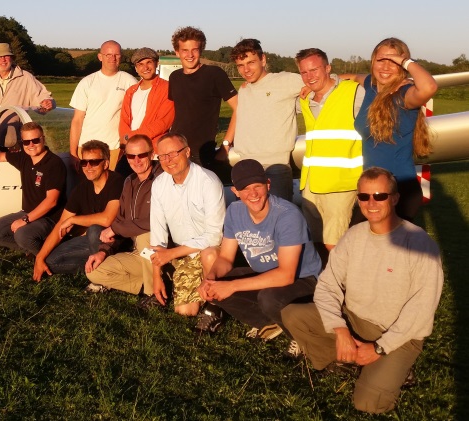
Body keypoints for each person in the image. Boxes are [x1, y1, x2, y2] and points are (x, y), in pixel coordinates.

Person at [281, 167, 444, 414]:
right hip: (354, 318)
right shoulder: (353, 236)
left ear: (395, 198)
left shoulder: (419, 244)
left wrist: (380, 347)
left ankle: (394, 367)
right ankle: (343, 360)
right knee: (293, 315)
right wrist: (340, 329)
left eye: (380, 196)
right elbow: (327, 285)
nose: (372, 203)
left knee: (368, 404)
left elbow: (421, 310)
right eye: (364, 196)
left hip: (398, 335)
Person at [195, 159, 322, 342]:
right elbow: (225, 258)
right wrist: (211, 279)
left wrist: (232, 286)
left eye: (257, 186)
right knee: (217, 286)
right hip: (265, 273)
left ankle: (300, 336)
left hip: (304, 279)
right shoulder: (234, 211)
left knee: (268, 297)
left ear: (268, 185)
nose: (252, 194)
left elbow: (286, 275)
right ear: (235, 192)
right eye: (245, 189)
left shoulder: (288, 215)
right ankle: (269, 322)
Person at [343, 38, 437, 221]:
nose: (386, 67)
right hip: (371, 188)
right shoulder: (371, 85)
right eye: (381, 60)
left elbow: (429, 87)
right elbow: (352, 77)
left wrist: (406, 62)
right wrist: (318, 85)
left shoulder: (405, 93)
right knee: (361, 243)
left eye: (393, 62)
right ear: (373, 61)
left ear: (403, 65)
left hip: (398, 189)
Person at [295, 48, 365, 258]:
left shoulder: (353, 92)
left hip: (340, 183)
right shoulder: (305, 100)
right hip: (312, 183)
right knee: (315, 240)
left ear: (328, 68)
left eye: (314, 70)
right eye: (304, 72)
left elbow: (379, 82)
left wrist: (349, 77)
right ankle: (322, 283)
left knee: (334, 244)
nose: (310, 76)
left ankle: (342, 287)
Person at [149, 133, 226, 316]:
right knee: (185, 312)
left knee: (209, 254)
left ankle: (215, 308)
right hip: (186, 253)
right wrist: (156, 276)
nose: (169, 160)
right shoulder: (159, 184)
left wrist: (172, 254)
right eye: (163, 156)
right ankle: (199, 290)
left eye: (174, 153)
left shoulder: (208, 181)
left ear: (187, 152)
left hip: (212, 248)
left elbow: (214, 236)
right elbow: (157, 233)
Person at [84, 134, 163, 297]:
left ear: (151, 154)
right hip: (139, 253)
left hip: (163, 252)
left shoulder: (163, 178)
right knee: (94, 272)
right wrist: (104, 251)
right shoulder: (129, 181)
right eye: (131, 156)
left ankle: (152, 295)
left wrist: (114, 228)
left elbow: (158, 220)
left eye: (141, 155)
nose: (137, 160)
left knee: (144, 237)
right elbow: (120, 218)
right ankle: (148, 284)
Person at [33, 140, 124, 281]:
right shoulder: (82, 188)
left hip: (116, 241)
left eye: (94, 162)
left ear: (105, 164)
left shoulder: (117, 182)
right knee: (51, 261)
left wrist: (74, 220)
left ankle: (102, 278)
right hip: (92, 241)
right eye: (84, 162)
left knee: (95, 229)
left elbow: (107, 219)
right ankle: (101, 269)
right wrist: (40, 257)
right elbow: (61, 225)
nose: (88, 167)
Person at [0, 122, 66, 255]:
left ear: (43, 139)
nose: (31, 145)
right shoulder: (24, 158)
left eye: (35, 140)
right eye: (26, 142)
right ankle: (37, 250)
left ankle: (48, 258)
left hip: (49, 218)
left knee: (22, 235)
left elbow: (51, 201)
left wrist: (25, 220)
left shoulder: (54, 164)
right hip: (27, 212)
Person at [230, 38, 305, 202]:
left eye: (251, 63)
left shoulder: (284, 81)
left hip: (275, 167)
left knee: (279, 217)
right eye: (241, 66)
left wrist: (357, 77)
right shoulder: (244, 90)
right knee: (249, 222)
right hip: (245, 167)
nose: (246, 70)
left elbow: (319, 80)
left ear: (263, 59)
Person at [168, 27, 238, 169]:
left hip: (202, 154)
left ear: (201, 50)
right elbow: (176, 113)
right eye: (185, 50)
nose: (190, 55)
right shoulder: (174, 77)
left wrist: (225, 146)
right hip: (176, 151)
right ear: (177, 52)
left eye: (194, 49)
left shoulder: (214, 74)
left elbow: (239, 108)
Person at [69, 40, 137, 170]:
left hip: (114, 148)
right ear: (100, 57)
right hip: (86, 147)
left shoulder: (129, 81)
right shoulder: (87, 82)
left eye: (116, 55)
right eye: (108, 55)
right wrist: (73, 153)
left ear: (121, 57)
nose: (113, 58)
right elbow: (77, 120)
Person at [115, 47, 175, 177]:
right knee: (121, 181)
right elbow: (124, 120)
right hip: (130, 150)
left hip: (153, 151)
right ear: (136, 68)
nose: (145, 67)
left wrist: (131, 137)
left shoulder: (167, 88)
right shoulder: (131, 91)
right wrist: (126, 141)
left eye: (149, 62)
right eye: (140, 64)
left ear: (156, 64)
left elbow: (163, 122)